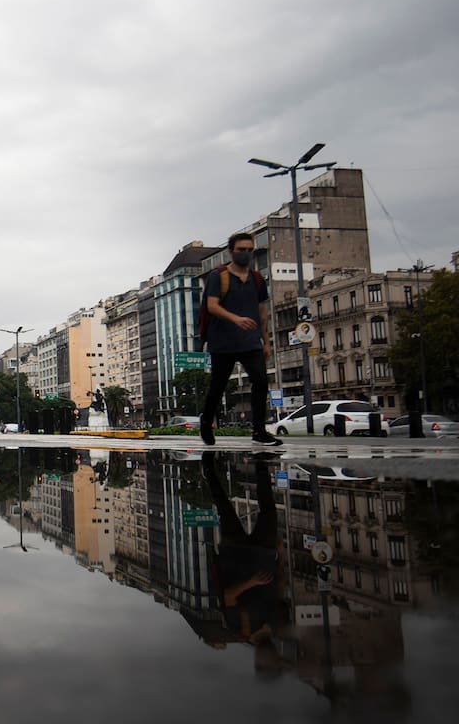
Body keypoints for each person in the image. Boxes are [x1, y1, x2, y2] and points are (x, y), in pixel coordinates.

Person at [201, 451, 289, 659]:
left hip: (236, 555)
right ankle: (261, 463)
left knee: (225, 507)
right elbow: (280, 588)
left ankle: (208, 468)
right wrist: (281, 556)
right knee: (268, 508)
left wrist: (252, 582)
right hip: (264, 554)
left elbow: (229, 596)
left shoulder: (240, 630)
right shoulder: (277, 626)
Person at [200, 232, 281, 446]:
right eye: (241, 250)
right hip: (223, 343)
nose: (245, 254)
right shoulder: (219, 276)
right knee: (218, 387)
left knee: (261, 381)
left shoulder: (256, 279)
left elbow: (262, 312)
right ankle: (206, 422)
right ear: (231, 251)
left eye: (249, 250)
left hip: (250, 342)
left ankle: (259, 431)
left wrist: (266, 341)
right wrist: (236, 319)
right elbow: (212, 306)